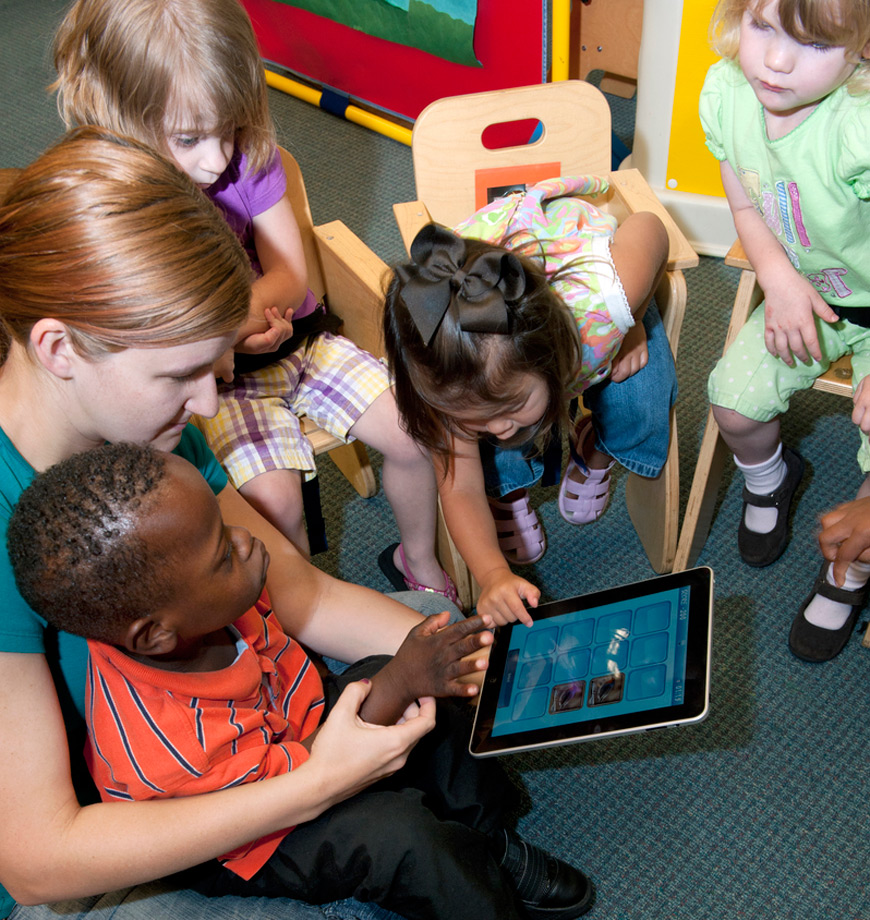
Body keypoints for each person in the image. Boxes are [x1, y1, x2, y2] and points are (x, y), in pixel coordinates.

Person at [0, 129, 617, 920]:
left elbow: (298, 591)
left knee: (426, 629)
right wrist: (318, 788)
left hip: (255, 728)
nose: (211, 403)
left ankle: (449, 867)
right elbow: (40, 857)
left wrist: (467, 663)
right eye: (183, 378)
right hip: (96, 852)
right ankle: (444, 883)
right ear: (59, 347)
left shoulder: (147, 433)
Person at [8, 442, 619, 920]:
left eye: (226, 528)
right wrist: (396, 684)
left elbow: (318, 690)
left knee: (431, 696)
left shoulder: (212, 602)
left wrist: (408, 677)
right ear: (156, 635)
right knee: (396, 835)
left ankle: (489, 843)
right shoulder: (169, 743)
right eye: (222, 554)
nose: (248, 540)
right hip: (253, 827)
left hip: (294, 733)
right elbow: (310, 787)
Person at [51, 0, 458, 603]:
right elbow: (143, 339)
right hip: (218, 383)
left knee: (414, 430)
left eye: (229, 127)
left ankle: (415, 558)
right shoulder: (116, 206)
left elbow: (290, 276)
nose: (217, 160)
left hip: (299, 342)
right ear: (126, 114)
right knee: (273, 503)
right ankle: (300, 606)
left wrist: (238, 319)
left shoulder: (247, 161)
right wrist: (230, 333)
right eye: (190, 138)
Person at [382, 183, 672, 628]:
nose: (497, 429)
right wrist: (493, 573)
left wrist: (633, 315)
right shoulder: (448, 380)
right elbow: (458, 487)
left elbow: (650, 229)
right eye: (477, 419)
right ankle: (510, 490)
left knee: (642, 394)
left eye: (511, 406)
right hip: (482, 314)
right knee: (499, 448)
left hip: (593, 285)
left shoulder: (609, 297)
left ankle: (594, 446)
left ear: (549, 358)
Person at [701, 0, 870, 662]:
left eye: (814, 43)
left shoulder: (859, 128)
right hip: (803, 293)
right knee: (731, 404)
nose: (775, 59)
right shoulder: (726, 90)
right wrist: (774, 272)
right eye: (763, 26)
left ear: (860, 47)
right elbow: (742, 194)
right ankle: (772, 475)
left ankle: (848, 569)